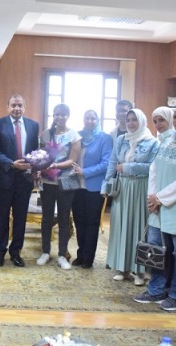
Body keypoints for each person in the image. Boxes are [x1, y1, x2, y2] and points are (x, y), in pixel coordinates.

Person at [134, 104, 176, 311]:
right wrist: (152, 197)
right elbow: (154, 168)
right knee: (157, 250)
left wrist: (160, 198)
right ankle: (156, 290)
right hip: (158, 206)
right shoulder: (168, 140)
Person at [102, 108, 159, 286]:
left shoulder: (152, 142)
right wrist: (106, 185)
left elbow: (153, 167)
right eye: (128, 120)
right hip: (123, 188)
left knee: (138, 228)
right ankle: (122, 268)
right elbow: (113, 162)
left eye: (134, 120)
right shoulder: (121, 139)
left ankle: (140, 271)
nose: (131, 123)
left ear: (141, 121)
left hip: (141, 187)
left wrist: (127, 167)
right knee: (121, 226)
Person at [0, 94, 39, 267]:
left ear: (24, 107)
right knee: (2, 218)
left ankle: (16, 252)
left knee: (20, 219)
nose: (16, 108)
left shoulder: (33, 126)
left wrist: (36, 167)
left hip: (24, 180)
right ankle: (0, 252)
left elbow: (35, 151)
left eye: (20, 105)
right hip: (5, 178)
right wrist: (11, 164)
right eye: (13, 105)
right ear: (8, 107)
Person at [36, 103, 81, 270]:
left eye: (63, 114)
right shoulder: (46, 134)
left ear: (68, 116)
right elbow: (41, 155)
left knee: (63, 218)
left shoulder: (73, 135)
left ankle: (62, 254)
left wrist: (55, 165)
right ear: (53, 116)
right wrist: (39, 167)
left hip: (66, 180)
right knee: (46, 218)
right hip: (47, 181)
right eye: (56, 114)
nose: (59, 117)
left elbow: (72, 160)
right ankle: (45, 252)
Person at [71, 110, 113, 269]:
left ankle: (88, 258)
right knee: (79, 221)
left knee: (92, 223)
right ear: (83, 119)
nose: (90, 121)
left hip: (94, 187)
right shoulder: (77, 136)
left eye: (93, 118)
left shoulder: (105, 138)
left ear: (97, 120)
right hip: (76, 186)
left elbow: (106, 163)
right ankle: (80, 255)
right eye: (87, 118)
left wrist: (85, 172)